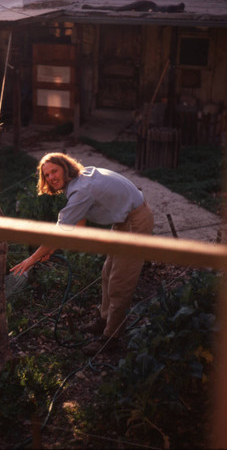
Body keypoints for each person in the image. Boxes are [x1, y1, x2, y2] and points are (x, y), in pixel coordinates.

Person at [10, 152, 154, 355]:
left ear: (65, 168)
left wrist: (33, 258)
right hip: (124, 220)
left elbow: (61, 229)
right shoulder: (81, 179)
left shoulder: (81, 190)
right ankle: (104, 321)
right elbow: (78, 223)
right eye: (47, 175)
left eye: (54, 171)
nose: (51, 177)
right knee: (107, 273)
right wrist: (52, 247)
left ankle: (111, 338)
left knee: (120, 282)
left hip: (135, 222)